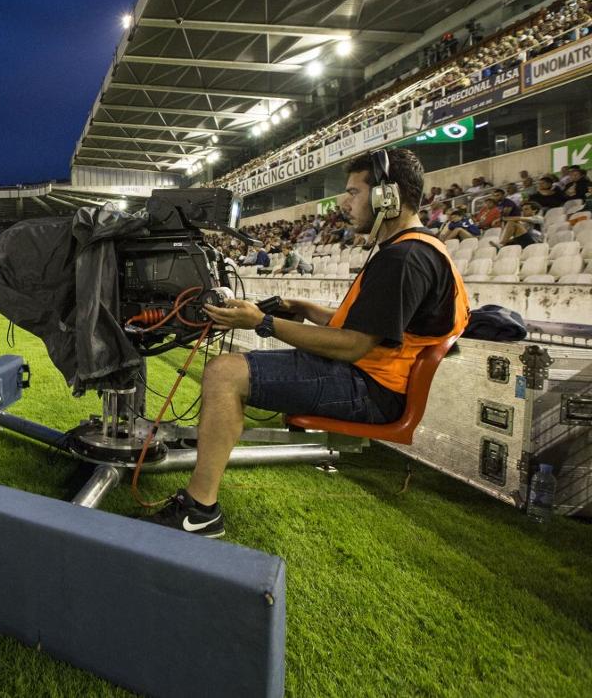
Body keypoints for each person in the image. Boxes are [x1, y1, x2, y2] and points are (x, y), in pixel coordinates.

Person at [150, 149, 468, 537]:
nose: (343, 202)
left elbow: (352, 345)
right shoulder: (417, 249)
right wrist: (298, 306)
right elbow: (365, 327)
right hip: (371, 376)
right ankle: (203, 456)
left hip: (372, 389)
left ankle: (200, 511)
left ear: (389, 196)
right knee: (230, 373)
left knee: (224, 373)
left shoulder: (404, 259)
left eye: (353, 192)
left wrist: (263, 321)